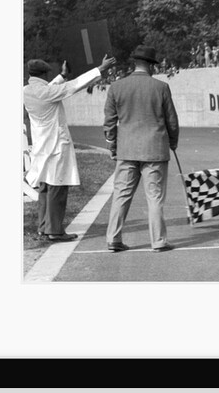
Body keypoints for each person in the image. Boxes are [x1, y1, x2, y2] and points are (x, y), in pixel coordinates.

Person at [23, 54, 116, 241]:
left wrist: (61, 77)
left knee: (44, 187)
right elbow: (76, 85)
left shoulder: (26, 90)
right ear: (44, 75)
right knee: (58, 188)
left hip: (41, 147)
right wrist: (100, 69)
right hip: (56, 145)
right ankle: (55, 230)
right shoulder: (48, 93)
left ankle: (43, 226)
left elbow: (48, 89)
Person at [103, 45, 180, 252]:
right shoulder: (161, 87)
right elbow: (171, 120)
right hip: (155, 148)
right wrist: (173, 141)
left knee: (121, 194)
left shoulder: (116, 87)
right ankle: (158, 241)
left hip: (127, 149)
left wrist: (112, 143)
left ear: (134, 63)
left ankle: (113, 238)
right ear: (150, 65)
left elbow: (109, 121)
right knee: (154, 197)